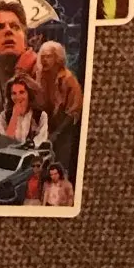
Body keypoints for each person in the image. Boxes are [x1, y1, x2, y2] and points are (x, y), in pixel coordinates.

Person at [35, 38, 85, 181]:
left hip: (64, 131)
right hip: (46, 128)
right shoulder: (41, 77)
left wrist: (57, 133)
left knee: (60, 168)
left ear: (57, 58)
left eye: (48, 56)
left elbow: (74, 111)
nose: (44, 60)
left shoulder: (68, 79)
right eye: (42, 57)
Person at [1, 74, 48, 147]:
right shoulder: (4, 116)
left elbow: (41, 139)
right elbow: (5, 142)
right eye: (14, 93)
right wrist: (14, 116)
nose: (18, 97)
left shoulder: (41, 116)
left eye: (21, 92)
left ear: (29, 94)